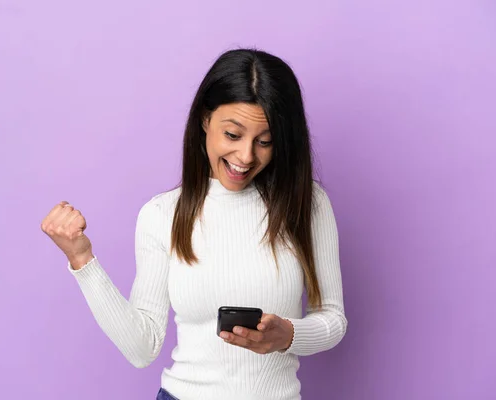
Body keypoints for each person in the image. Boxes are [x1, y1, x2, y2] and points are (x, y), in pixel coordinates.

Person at [41, 48, 348, 400]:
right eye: (233, 135)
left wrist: (289, 335)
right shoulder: (162, 214)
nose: (246, 157)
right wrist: (82, 260)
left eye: (265, 142)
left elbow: (333, 319)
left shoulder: (308, 204)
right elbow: (142, 348)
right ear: (205, 120)